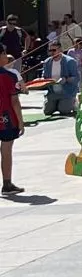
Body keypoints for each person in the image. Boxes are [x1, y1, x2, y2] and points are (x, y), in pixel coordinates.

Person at [0, 53, 23, 195]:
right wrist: (21, 122)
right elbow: (15, 101)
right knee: (6, 149)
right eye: (3, 53)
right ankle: (7, 184)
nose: (6, 56)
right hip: (6, 117)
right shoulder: (9, 76)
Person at [40, 41, 81, 116]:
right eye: (50, 50)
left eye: (54, 50)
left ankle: (73, 101)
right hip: (53, 92)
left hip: (67, 92)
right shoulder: (47, 62)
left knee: (64, 111)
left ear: (60, 49)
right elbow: (44, 76)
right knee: (47, 111)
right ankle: (55, 103)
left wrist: (66, 79)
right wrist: (40, 80)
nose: (52, 53)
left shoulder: (70, 61)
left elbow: (76, 78)